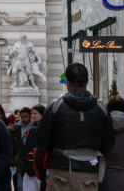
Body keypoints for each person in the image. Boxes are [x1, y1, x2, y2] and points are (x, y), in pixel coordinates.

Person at [36, 63, 115, 191]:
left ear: (67, 81)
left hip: (60, 173)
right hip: (88, 174)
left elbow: (42, 145)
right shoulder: (101, 108)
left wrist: (43, 174)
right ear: (87, 81)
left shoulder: (55, 107)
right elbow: (108, 145)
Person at [11, 107, 41, 191]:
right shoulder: (17, 127)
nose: (24, 119)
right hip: (20, 159)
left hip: (31, 158)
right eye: (22, 117)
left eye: (26, 116)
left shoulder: (34, 126)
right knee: (20, 185)